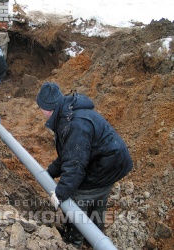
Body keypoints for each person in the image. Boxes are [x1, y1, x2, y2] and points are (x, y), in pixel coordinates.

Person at [36, 82, 133, 249]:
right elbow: (71, 153)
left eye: (40, 108)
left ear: (48, 108)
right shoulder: (66, 113)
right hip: (108, 161)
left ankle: (74, 241)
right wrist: (51, 172)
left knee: (78, 196)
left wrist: (60, 194)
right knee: (97, 197)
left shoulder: (74, 124)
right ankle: (94, 236)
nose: (39, 111)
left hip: (108, 165)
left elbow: (75, 165)